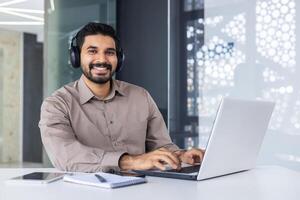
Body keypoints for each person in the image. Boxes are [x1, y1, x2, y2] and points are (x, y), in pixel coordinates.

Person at [39, 22, 204, 172]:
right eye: (92, 51)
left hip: (142, 189)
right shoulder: (57, 104)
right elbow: (65, 156)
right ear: (76, 57)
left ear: (119, 58)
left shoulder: (141, 96)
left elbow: (161, 146)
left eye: (109, 52)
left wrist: (180, 156)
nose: (102, 59)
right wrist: (131, 162)